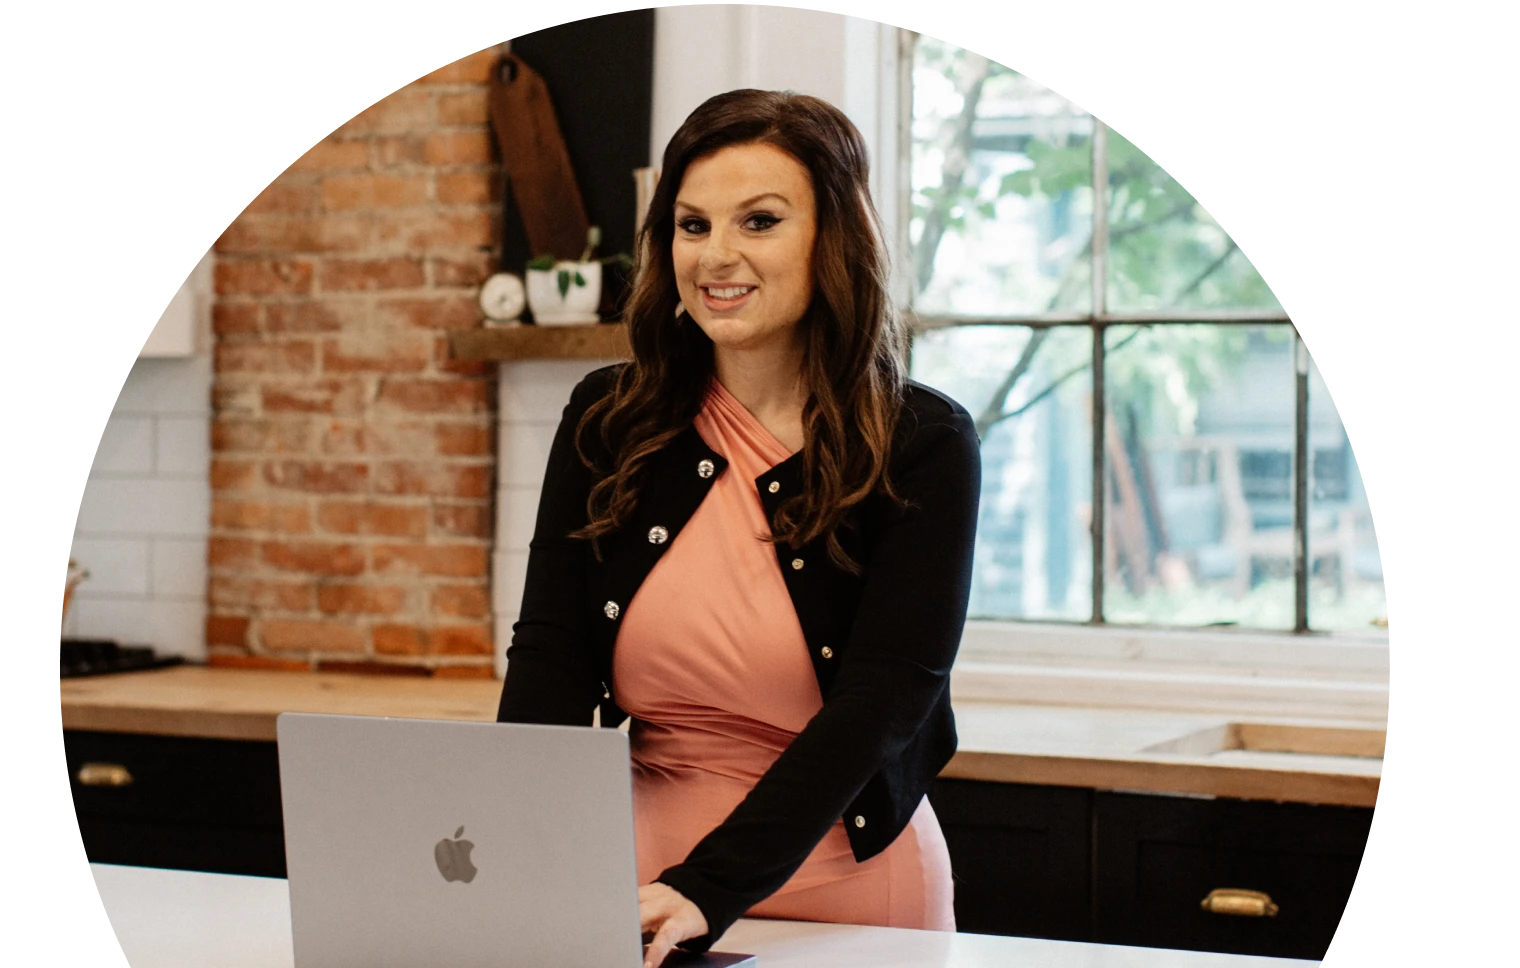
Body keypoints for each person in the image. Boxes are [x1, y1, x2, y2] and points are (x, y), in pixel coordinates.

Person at [496, 88, 981, 968]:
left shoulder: (920, 442)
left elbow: (884, 702)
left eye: (759, 221)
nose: (716, 255)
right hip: (636, 884)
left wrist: (713, 885)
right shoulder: (608, 419)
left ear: (832, 237)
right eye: (692, 225)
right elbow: (550, 658)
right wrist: (515, 856)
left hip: (849, 892)